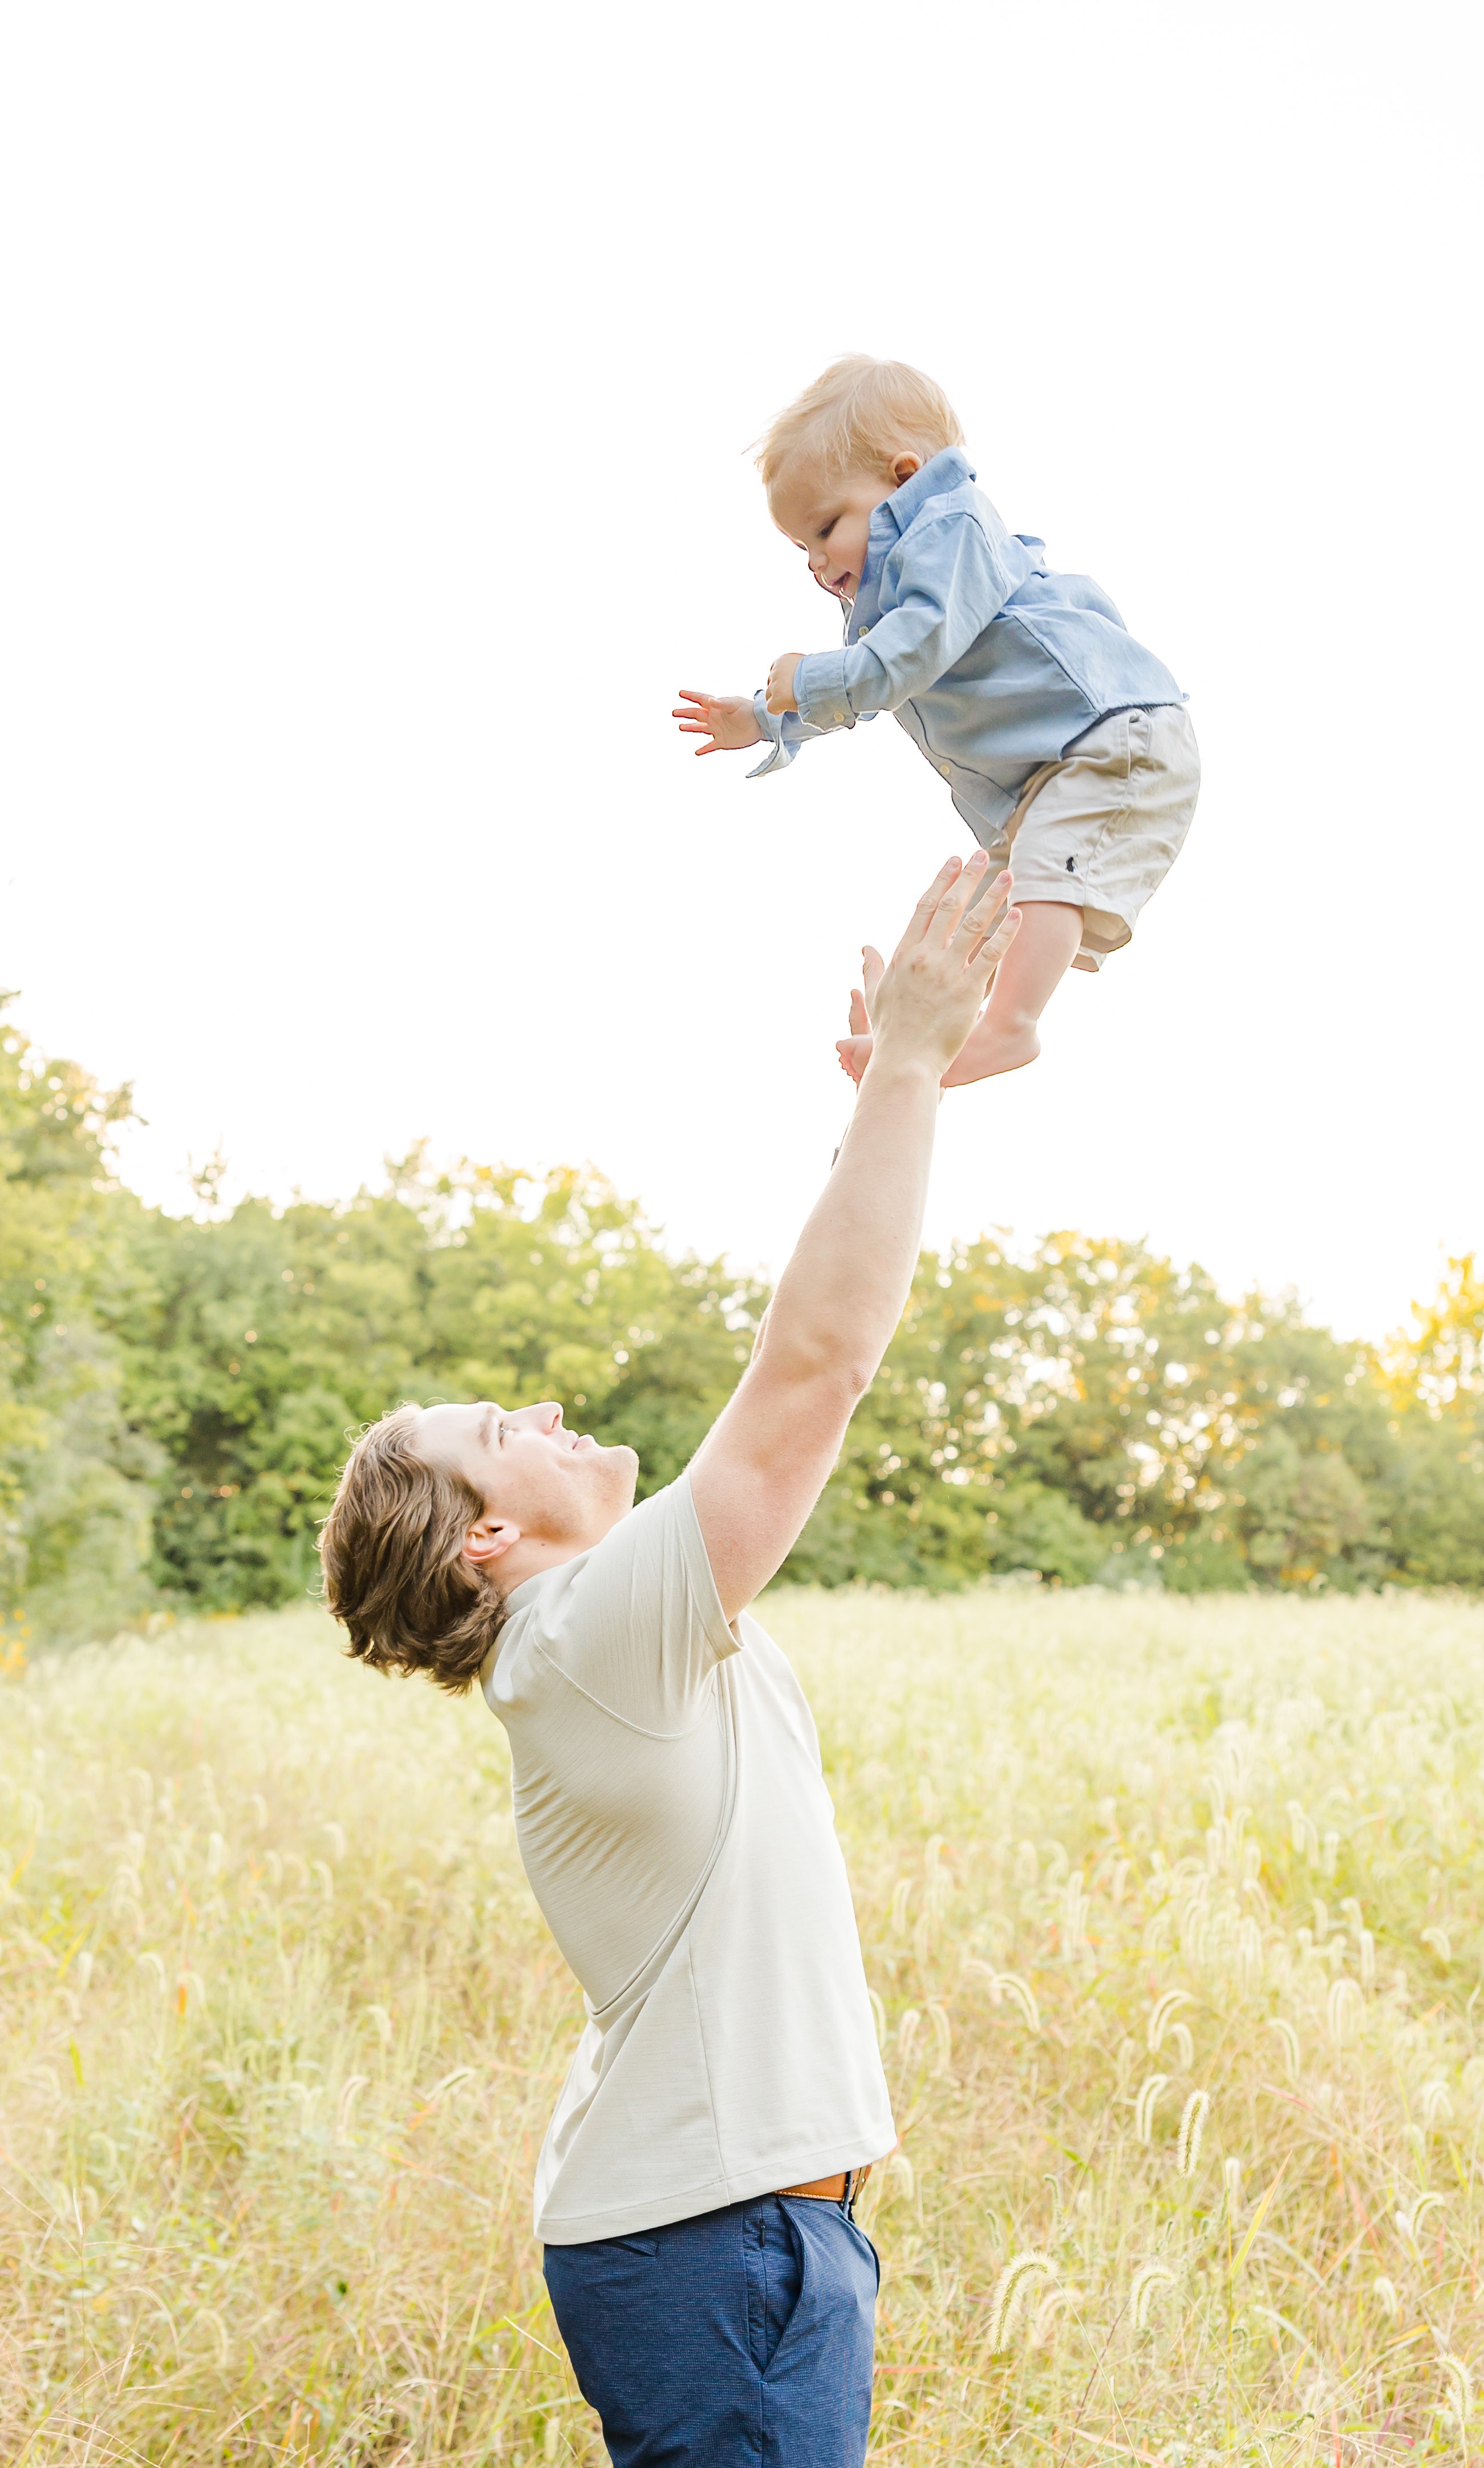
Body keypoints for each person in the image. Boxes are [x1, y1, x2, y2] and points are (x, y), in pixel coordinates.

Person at [319, 854, 1021, 2468]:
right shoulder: (578, 1642)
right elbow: (812, 1368)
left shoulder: (605, 1641)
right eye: (504, 1434)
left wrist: (883, 1114)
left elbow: (810, 1337)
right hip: (718, 2247)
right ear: (482, 1542)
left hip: (740, 2239)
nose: (546, 1414)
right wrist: (909, 1059)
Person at [674, 354, 1200, 1089]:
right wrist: (768, 719)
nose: (816, 561)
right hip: (1053, 767)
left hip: (1110, 735)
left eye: (825, 528)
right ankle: (918, 1037)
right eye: (802, 548)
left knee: (1043, 876)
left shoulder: (950, 525)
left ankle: (1009, 1028)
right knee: (983, 911)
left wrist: (809, 680)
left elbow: (902, 658)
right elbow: (871, 681)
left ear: (903, 475)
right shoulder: (899, 603)